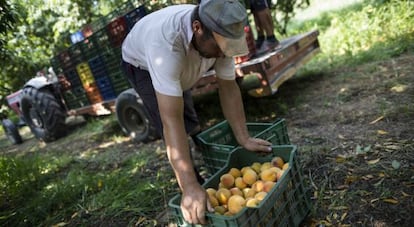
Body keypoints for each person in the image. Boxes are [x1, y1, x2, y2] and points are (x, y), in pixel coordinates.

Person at [121, 0, 272, 224]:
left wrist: (244, 137)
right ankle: (193, 184)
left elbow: (229, 88)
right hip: (140, 63)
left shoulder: (219, 35)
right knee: (175, 118)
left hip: (184, 55)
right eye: (220, 49)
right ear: (198, 28)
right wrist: (189, 186)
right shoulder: (166, 47)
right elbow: (170, 120)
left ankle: (198, 151)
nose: (223, 55)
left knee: (188, 115)